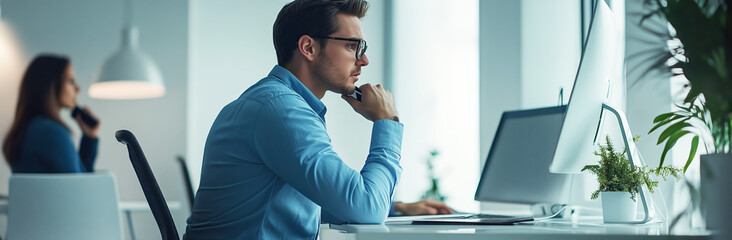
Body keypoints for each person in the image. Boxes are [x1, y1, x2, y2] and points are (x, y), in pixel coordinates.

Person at [184, 0, 403, 239]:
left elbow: (300, 206)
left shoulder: (275, 103)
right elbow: (367, 208)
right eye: (352, 46)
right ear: (308, 47)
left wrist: (395, 208)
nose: (364, 60)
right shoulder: (281, 110)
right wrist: (386, 122)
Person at [2, 54, 99, 173]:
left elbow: (78, 179)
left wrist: (89, 137)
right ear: (51, 85)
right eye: (70, 80)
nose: (77, 88)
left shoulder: (26, 129)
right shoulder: (53, 133)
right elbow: (80, 187)